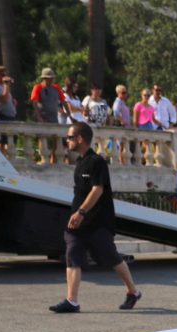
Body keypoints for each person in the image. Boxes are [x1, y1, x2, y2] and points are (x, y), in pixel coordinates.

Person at [49, 122, 140, 314]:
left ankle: (133, 291)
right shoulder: (79, 162)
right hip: (77, 223)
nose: (67, 141)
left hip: (97, 221)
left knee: (110, 257)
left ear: (80, 139)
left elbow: (98, 190)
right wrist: (76, 214)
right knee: (72, 254)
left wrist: (81, 212)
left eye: (70, 137)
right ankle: (72, 301)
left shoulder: (97, 162)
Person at [30, 69, 65, 163]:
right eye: (49, 78)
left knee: (56, 138)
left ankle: (53, 159)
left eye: (52, 78)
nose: (51, 80)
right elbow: (35, 101)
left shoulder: (56, 88)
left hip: (54, 116)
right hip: (42, 115)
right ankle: (43, 159)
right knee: (42, 137)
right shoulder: (38, 87)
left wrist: (69, 114)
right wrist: (38, 116)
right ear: (44, 78)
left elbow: (63, 101)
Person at [0, 66, 17, 156]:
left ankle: (5, 157)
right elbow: (4, 99)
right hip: (2, 114)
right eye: (2, 75)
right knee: (2, 139)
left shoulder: (3, 86)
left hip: (10, 115)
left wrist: (13, 101)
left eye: (5, 75)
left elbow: (7, 98)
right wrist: (6, 84)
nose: (4, 77)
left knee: (11, 139)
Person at [111, 84, 131, 164]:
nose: (125, 94)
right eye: (123, 92)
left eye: (125, 92)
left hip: (126, 126)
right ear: (118, 93)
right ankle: (121, 161)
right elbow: (116, 112)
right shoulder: (118, 101)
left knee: (123, 145)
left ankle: (123, 161)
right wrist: (121, 120)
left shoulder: (123, 102)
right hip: (121, 126)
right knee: (121, 145)